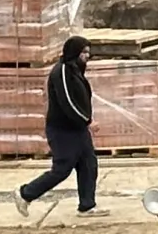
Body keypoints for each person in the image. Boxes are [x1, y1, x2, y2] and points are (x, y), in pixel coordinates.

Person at [16, 34, 99, 217]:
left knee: (88, 164)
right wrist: (85, 120)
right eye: (84, 52)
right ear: (75, 53)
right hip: (63, 131)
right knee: (62, 169)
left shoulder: (76, 71)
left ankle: (87, 206)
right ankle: (25, 193)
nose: (87, 56)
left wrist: (85, 122)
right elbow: (67, 102)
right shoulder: (61, 72)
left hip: (78, 129)